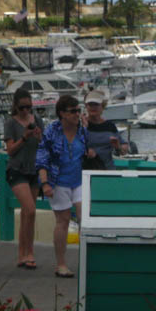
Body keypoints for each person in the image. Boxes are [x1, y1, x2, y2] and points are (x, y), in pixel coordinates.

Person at [36, 94, 96, 278]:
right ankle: (61, 264)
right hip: (58, 181)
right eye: (73, 111)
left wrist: (90, 153)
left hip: (78, 180)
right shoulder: (52, 132)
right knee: (62, 221)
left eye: (78, 111)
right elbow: (42, 158)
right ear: (62, 113)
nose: (77, 114)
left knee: (83, 218)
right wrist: (45, 183)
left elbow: (85, 150)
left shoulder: (82, 131)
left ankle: (87, 261)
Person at [3, 88, 44, 269]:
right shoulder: (11, 123)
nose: (26, 111)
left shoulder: (38, 121)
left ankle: (24, 254)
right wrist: (25, 138)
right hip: (17, 170)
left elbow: (44, 146)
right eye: (22, 108)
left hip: (33, 169)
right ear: (16, 106)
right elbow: (10, 150)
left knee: (28, 214)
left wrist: (39, 137)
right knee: (30, 209)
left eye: (29, 107)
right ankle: (28, 253)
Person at [84, 89, 128, 169]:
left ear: (103, 106)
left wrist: (118, 147)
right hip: (85, 171)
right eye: (90, 104)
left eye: (96, 104)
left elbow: (124, 149)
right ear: (86, 106)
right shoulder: (81, 125)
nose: (93, 107)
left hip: (107, 170)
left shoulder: (110, 126)